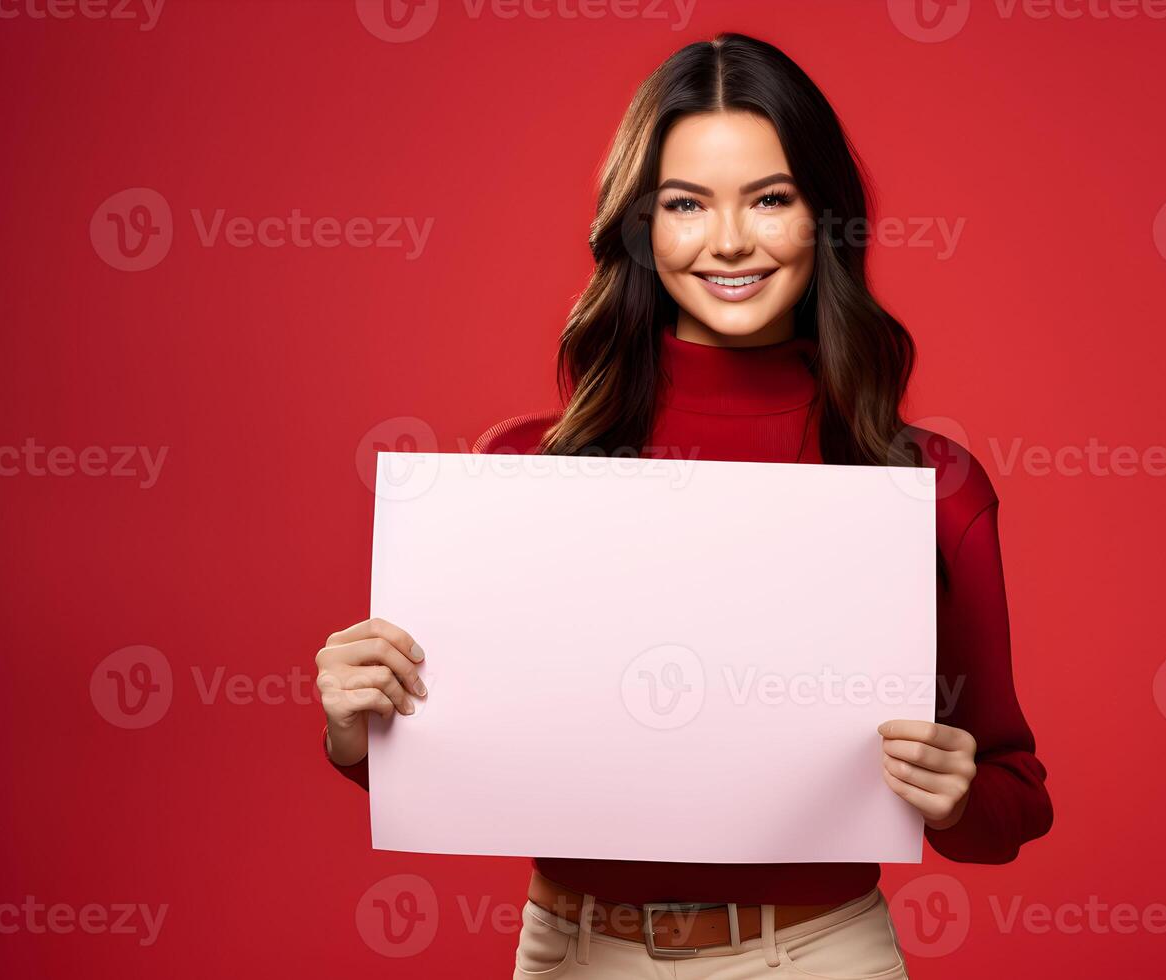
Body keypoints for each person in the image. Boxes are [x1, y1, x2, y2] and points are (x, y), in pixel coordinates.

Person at [314, 32, 1052, 978]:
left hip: (818, 956)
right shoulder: (524, 470)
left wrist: (955, 796)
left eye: (771, 199)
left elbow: (1012, 800)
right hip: (574, 955)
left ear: (824, 216)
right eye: (686, 204)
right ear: (640, 226)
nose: (730, 241)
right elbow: (442, 762)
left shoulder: (926, 483)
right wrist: (353, 723)